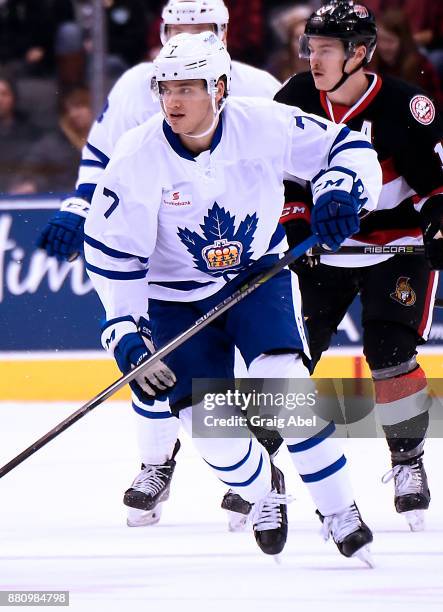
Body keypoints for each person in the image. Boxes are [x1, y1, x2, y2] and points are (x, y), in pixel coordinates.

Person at [84, 31, 381, 559]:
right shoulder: (136, 157)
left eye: (188, 88)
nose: (173, 101)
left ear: (219, 88)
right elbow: (113, 256)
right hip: (172, 299)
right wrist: (125, 332)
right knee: (211, 434)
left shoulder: (263, 121)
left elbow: (349, 146)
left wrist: (340, 187)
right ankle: (267, 489)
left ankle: (339, 512)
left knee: (285, 389)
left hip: (256, 278)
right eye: (165, 88)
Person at [37, 0, 281, 530]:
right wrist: (80, 206)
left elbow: (294, 156)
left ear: (222, 32)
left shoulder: (260, 87)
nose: (186, 38)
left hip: (235, 250)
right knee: (151, 358)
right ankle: (157, 462)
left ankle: (256, 471)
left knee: (259, 362)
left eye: (199, 28)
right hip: (158, 252)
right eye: (177, 27)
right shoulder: (137, 85)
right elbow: (100, 158)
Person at [275, 1, 443, 532]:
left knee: (390, 352)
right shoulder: (295, 99)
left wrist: (438, 224)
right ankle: (263, 472)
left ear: (361, 52)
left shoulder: (405, 105)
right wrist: (298, 224)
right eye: (311, 47)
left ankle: (407, 459)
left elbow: (433, 185)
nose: (313, 58)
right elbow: (278, 178)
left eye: (325, 49)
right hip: (320, 254)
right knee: (282, 359)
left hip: (395, 248)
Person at [13, 88, 93, 194]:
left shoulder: (107, 139)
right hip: (60, 200)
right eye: (69, 110)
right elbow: (28, 172)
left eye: (79, 107)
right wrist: (35, 185)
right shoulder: (51, 144)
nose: (73, 114)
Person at [369, 9, 442, 109]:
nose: (383, 46)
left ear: (403, 42)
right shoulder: (371, 62)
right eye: (380, 40)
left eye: (389, 41)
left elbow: (435, 102)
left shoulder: (420, 65)